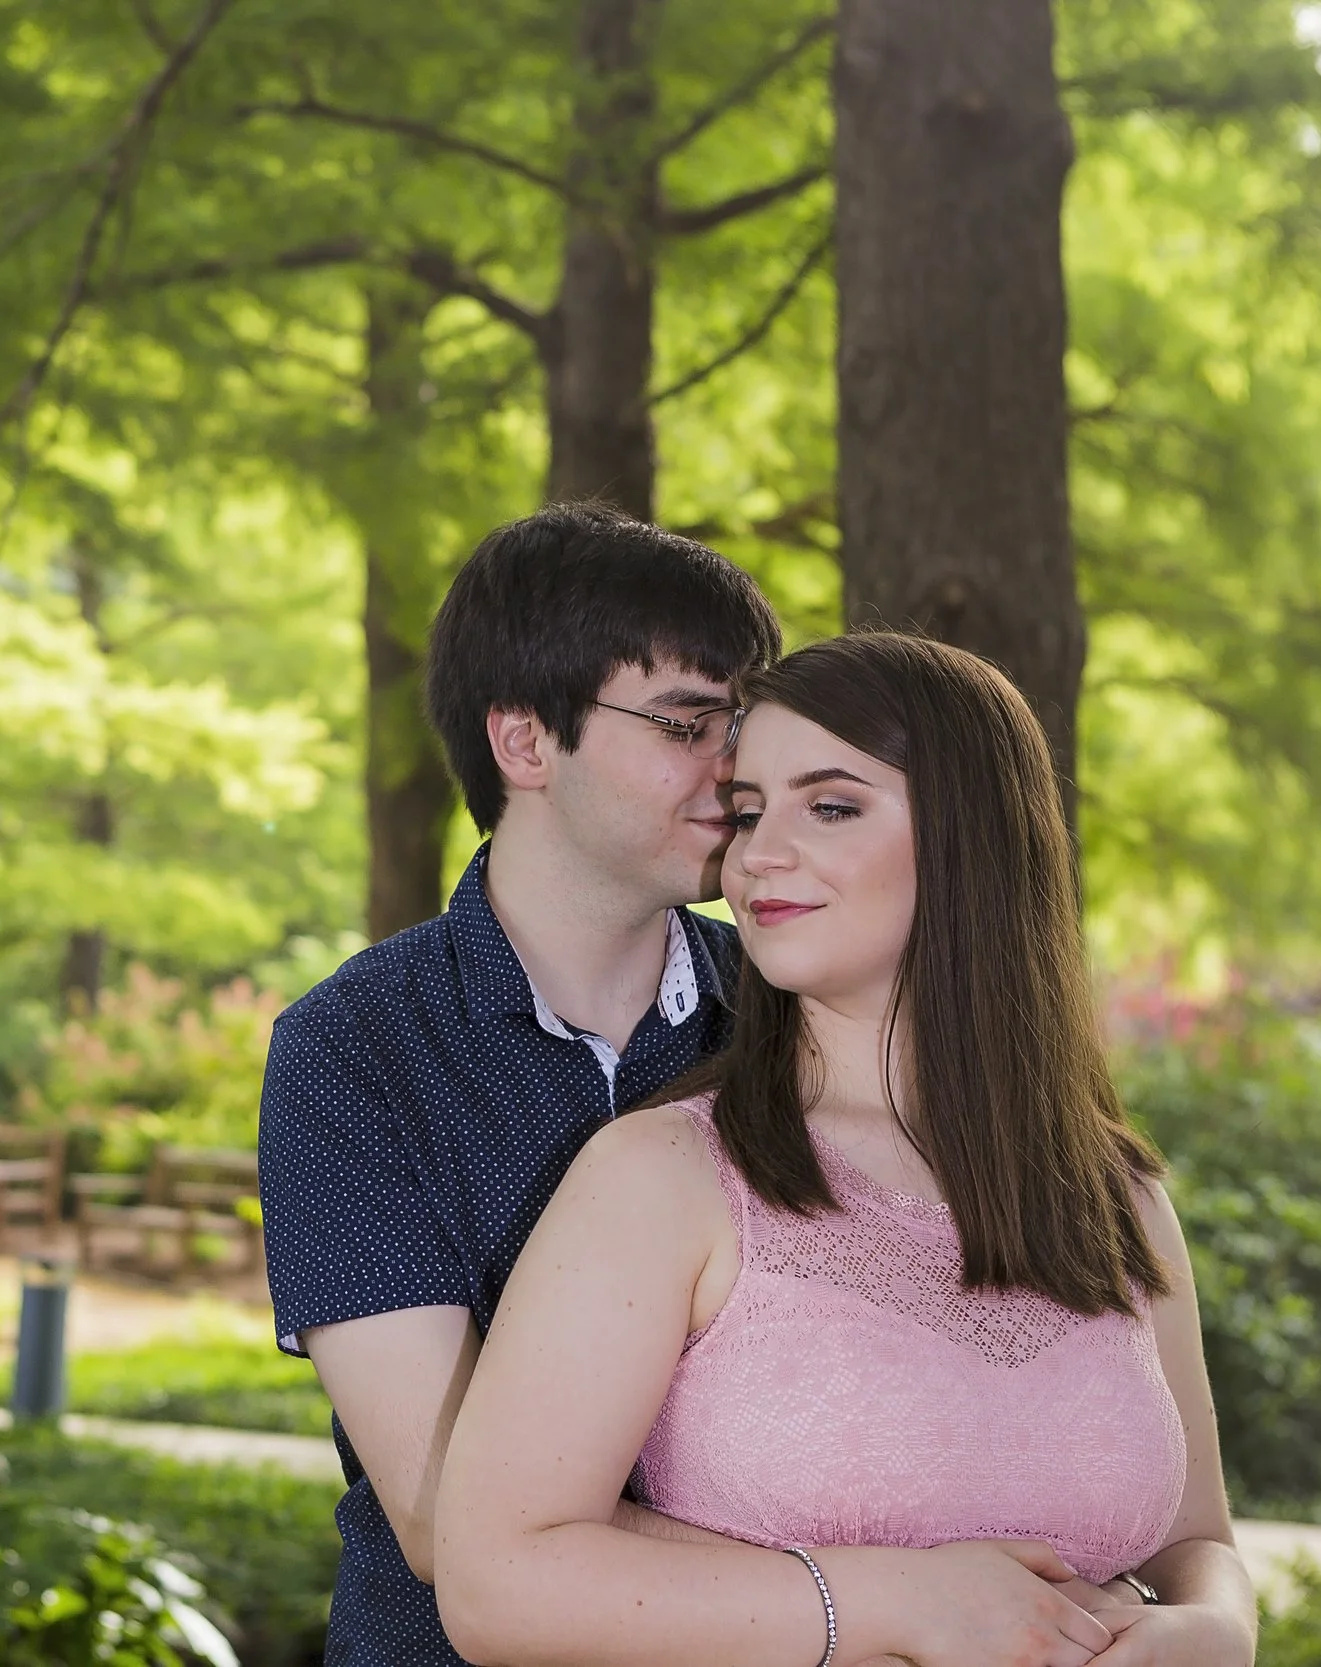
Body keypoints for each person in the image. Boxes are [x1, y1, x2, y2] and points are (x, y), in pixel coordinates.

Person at [432, 632, 1256, 1667]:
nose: (756, 853)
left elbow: (1194, 1538)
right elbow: (497, 1578)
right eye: (745, 811)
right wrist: (893, 1600)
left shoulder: (1115, 1193)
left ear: (972, 838)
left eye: (829, 805)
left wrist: (1215, 1627)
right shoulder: (662, 1178)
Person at [257, 502, 783, 1666]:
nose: (738, 768)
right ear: (526, 742)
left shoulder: (799, 1020)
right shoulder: (350, 1052)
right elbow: (453, 1519)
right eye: (690, 722)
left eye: (745, 721)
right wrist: (866, 1594)